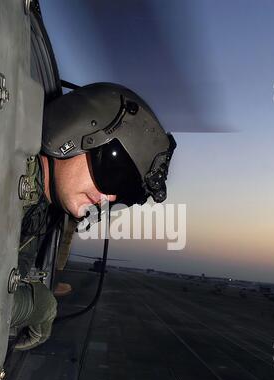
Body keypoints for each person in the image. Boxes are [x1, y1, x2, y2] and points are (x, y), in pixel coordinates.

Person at [10, 82, 176, 351]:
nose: (108, 199)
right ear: (72, 130)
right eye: (115, 173)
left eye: (124, 194)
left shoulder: (39, 209)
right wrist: (28, 305)